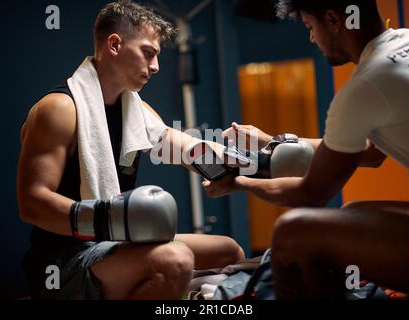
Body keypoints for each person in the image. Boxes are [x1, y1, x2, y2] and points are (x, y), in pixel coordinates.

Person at [18, 0, 244, 300]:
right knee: (174, 260)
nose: (156, 67)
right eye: (148, 53)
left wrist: (243, 164)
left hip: (113, 244)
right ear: (114, 44)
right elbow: (31, 204)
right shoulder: (60, 108)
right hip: (64, 260)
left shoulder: (136, 110)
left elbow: (187, 148)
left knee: (228, 251)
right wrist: (112, 219)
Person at [203, 0, 409, 298]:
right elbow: (372, 153)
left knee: (294, 230)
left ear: (334, 20)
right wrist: (271, 139)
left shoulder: (366, 86)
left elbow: (310, 193)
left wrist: (240, 182)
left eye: (311, 27)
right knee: (356, 213)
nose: (311, 37)